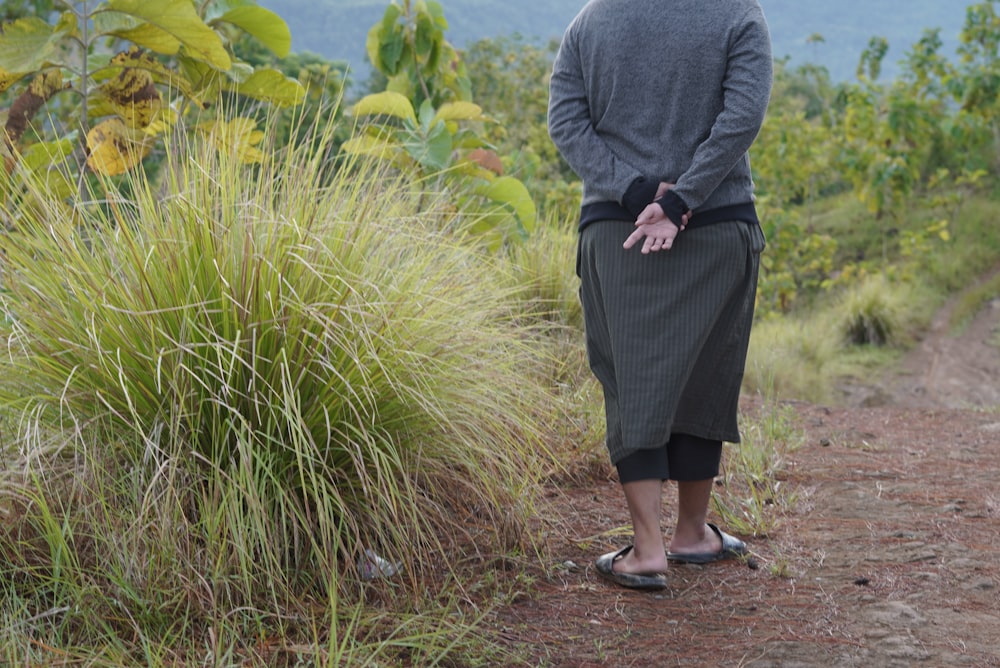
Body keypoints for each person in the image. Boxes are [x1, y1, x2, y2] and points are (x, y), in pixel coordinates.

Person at [547, 0, 773, 590]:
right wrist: (680, 199)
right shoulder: (738, 14)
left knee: (631, 381)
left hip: (615, 230)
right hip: (718, 223)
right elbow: (743, 116)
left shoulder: (589, 22)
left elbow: (566, 122)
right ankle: (692, 533)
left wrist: (637, 193)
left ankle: (646, 549)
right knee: (707, 373)